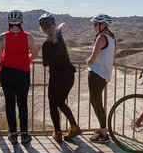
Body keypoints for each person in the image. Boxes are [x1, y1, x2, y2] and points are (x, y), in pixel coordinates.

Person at [0, 9, 38, 145]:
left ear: (9, 22)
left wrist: (6, 59)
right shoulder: (28, 36)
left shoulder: (3, 36)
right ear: (22, 22)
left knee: (9, 103)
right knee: (22, 103)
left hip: (7, 73)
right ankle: (24, 133)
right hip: (23, 73)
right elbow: (35, 54)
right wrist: (25, 59)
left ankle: (12, 134)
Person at [38, 13, 82, 143]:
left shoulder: (46, 44)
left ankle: (57, 132)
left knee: (53, 104)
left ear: (42, 29)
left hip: (57, 78)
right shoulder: (59, 35)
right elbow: (61, 27)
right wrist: (63, 25)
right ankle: (74, 126)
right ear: (54, 25)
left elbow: (45, 63)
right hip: (69, 75)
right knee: (61, 102)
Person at [85, 14, 116, 142]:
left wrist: (88, 61)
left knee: (96, 103)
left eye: (95, 24)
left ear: (102, 25)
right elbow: (113, 57)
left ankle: (104, 133)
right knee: (96, 102)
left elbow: (93, 58)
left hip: (96, 74)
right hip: (105, 75)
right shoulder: (112, 38)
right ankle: (102, 129)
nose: (93, 27)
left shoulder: (101, 38)